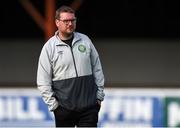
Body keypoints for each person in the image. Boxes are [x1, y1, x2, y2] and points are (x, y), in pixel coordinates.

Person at [37, 5, 105, 127]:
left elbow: (97, 68)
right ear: (57, 22)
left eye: (72, 20)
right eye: (66, 21)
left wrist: (98, 98)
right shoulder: (49, 47)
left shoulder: (85, 40)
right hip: (64, 110)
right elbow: (43, 81)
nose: (70, 23)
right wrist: (55, 107)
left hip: (89, 108)